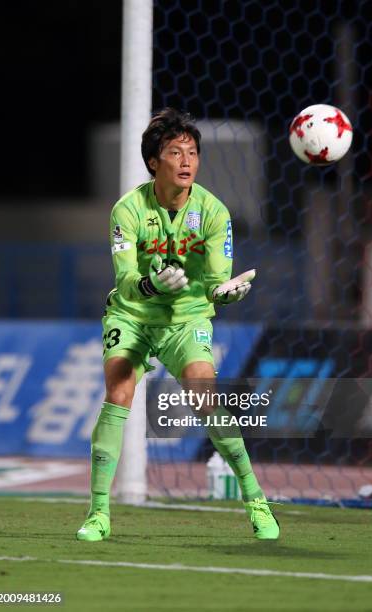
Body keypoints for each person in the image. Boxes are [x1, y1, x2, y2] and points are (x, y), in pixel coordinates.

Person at [76, 108, 279, 542]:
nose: (186, 161)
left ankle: (256, 499)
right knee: (119, 387)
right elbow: (125, 282)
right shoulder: (127, 209)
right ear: (154, 162)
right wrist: (150, 285)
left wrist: (224, 293)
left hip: (186, 319)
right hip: (133, 315)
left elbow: (216, 279)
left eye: (192, 152)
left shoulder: (214, 212)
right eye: (175, 152)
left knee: (204, 394)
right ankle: (98, 514)